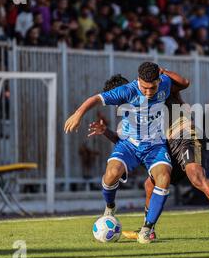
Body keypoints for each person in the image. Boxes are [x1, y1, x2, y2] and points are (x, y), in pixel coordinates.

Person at [88, 76, 209, 240]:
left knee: (196, 176)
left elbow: (184, 83)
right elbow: (125, 140)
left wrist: (163, 72)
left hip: (185, 135)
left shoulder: (159, 89)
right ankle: (148, 229)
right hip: (169, 143)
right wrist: (105, 131)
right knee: (150, 184)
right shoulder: (134, 111)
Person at [64, 62, 185, 244]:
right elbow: (95, 98)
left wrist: (164, 71)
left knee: (164, 178)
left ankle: (147, 229)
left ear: (159, 81)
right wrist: (78, 113)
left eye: (152, 88)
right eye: (144, 87)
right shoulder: (127, 91)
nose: (148, 92)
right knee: (111, 173)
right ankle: (110, 208)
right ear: (138, 81)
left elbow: (184, 82)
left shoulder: (165, 83)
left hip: (155, 145)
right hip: (129, 145)